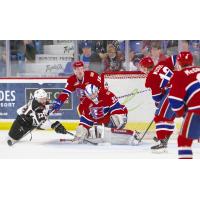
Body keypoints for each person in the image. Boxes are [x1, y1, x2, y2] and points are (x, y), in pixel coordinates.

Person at [73, 84, 140, 145]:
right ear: (87, 95)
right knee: (92, 131)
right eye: (90, 95)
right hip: (101, 123)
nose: (93, 97)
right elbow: (85, 121)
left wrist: (118, 118)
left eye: (94, 93)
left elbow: (117, 108)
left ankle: (121, 133)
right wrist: (81, 132)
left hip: (115, 117)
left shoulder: (107, 94)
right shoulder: (85, 103)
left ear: (97, 91)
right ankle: (109, 134)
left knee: (117, 118)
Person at [139, 55, 177, 151]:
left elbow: (157, 97)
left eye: (142, 68)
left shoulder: (150, 78)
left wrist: (158, 103)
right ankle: (165, 138)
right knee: (169, 117)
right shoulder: (162, 64)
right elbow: (175, 58)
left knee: (159, 116)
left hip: (173, 91)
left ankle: (161, 142)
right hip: (184, 88)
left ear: (145, 67)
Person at [168, 51, 200, 159]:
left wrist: (182, 113)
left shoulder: (179, 75)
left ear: (178, 63)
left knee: (183, 140)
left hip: (197, 109)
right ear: (192, 61)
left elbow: (175, 101)